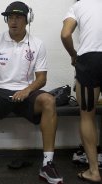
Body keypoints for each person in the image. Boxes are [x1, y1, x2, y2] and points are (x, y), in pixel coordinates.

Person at [0, 1, 63, 184]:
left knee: (49, 101)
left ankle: (48, 164)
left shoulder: (37, 44)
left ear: (27, 19)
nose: (13, 21)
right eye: (10, 17)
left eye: (18, 17)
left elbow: (42, 78)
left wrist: (27, 90)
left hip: (26, 92)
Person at [61, 0, 102, 183]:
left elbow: (65, 34)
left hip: (90, 60)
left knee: (87, 116)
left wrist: (73, 55)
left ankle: (94, 171)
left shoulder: (78, 6)